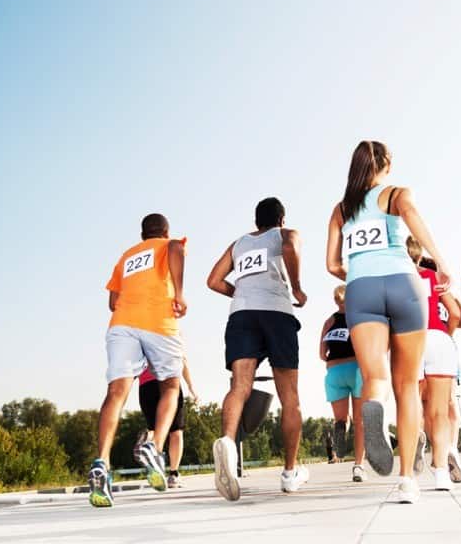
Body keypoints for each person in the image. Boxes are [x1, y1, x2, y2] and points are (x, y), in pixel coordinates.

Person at [326, 141, 451, 504]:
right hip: (403, 281)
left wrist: (359, 273)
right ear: (387, 165)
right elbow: (411, 213)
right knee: (408, 385)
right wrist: (439, 261)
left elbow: (332, 265)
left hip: (360, 289)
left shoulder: (341, 209)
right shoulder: (396, 193)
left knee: (376, 378)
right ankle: (407, 481)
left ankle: (374, 410)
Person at [207, 197, 308, 501]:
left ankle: (226, 441)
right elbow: (290, 247)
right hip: (277, 311)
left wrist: (242, 292)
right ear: (281, 219)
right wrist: (298, 287)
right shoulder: (285, 233)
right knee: (289, 395)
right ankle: (290, 474)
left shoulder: (238, 243)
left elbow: (213, 280)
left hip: (242, 314)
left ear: (256, 221)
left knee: (240, 386)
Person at [89, 214, 187, 507]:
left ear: (142, 233)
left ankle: (101, 464)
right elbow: (177, 251)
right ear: (164, 231)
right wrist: (179, 294)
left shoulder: (126, 256)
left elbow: (111, 302)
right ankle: (154, 449)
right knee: (170, 385)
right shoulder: (169, 244)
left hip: (121, 323)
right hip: (158, 320)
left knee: (116, 393)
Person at [406, 236, 460, 491]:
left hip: (409, 338)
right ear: (419, 256)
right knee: (440, 411)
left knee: (412, 403)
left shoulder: (394, 280)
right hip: (438, 338)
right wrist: (445, 334)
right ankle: (440, 473)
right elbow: (456, 313)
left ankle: (416, 440)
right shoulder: (432, 277)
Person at [320, 284, 366, 482]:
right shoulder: (358, 318)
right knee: (360, 422)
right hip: (355, 369)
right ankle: (358, 466)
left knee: (342, 419)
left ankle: (340, 432)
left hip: (334, 372)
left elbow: (322, 354)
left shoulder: (329, 322)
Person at [134, 355, 198, 489]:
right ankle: (173, 475)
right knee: (176, 431)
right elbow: (182, 359)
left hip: (146, 386)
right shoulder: (170, 333)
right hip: (169, 383)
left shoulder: (138, 335)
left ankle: (149, 444)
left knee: (155, 430)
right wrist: (191, 386)